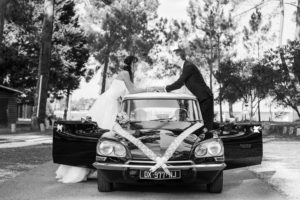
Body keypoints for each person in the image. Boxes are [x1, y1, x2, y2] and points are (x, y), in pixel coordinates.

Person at [55, 55, 148, 184]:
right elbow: (132, 91)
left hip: (113, 103)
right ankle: (96, 165)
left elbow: (127, 94)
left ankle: (102, 165)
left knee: (109, 134)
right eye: (136, 64)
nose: (137, 66)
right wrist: (149, 89)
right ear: (132, 63)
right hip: (109, 104)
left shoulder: (125, 74)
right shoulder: (125, 73)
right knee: (106, 133)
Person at [157, 48, 214, 130]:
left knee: (206, 126)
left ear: (178, 57)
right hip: (201, 99)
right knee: (202, 125)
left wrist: (165, 89)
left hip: (205, 98)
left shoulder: (188, 66)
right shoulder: (185, 67)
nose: (171, 58)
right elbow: (181, 85)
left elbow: (179, 83)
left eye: (173, 56)